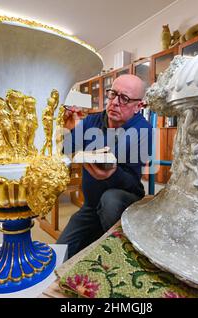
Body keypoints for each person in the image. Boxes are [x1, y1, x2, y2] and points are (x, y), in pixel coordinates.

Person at [57, 74, 153, 258]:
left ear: (138, 106)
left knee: (110, 200)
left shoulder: (143, 130)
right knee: (60, 253)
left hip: (123, 203)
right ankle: (98, 238)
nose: (115, 102)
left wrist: (113, 173)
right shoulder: (91, 121)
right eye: (112, 94)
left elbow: (132, 183)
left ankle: (120, 252)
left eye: (124, 98)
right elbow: (66, 149)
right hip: (91, 205)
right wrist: (69, 129)